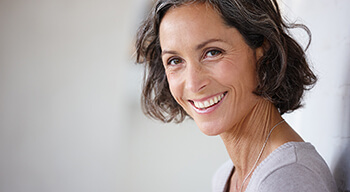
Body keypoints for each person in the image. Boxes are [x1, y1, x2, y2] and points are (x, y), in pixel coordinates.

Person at [135, 0, 337, 191]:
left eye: (212, 52)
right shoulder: (225, 176)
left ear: (262, 49)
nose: (193, 83)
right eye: (174, 60)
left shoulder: (288, 178)